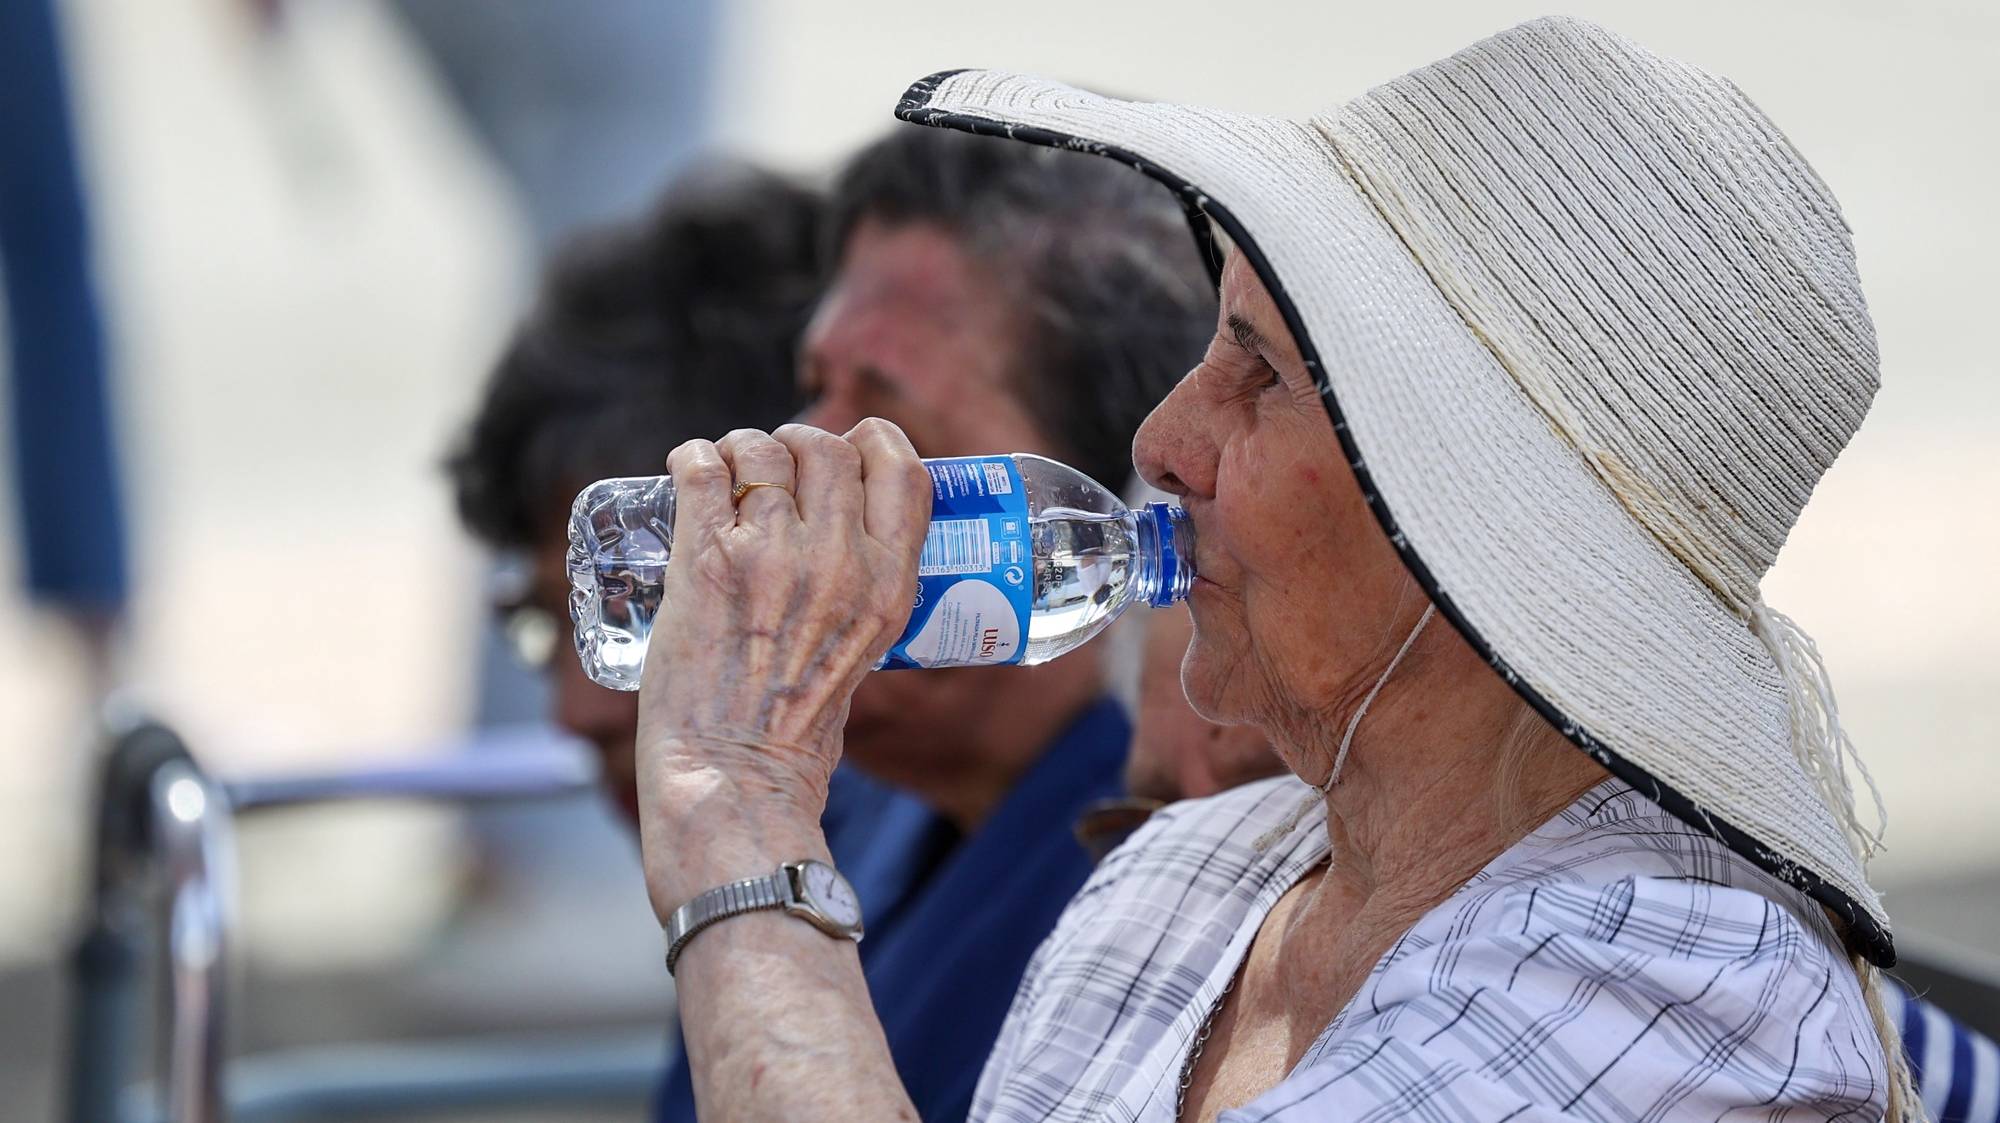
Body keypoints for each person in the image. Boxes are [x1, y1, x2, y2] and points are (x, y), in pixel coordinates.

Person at [629, 16, 1931, 1123]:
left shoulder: (1658, 988)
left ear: (1459, 507)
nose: (1161, 442)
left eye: (1259, 371)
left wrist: (740, 815)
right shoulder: (1188, 877)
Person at [648, 124, 1216, 1123]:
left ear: (1079, 509)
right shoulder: (844, 772)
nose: (800, 465)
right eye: (814, 390)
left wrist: (727, 802)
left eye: (886, 434)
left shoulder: (1158, 895)